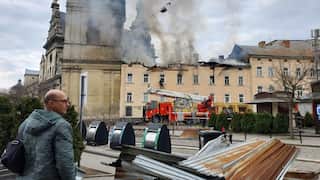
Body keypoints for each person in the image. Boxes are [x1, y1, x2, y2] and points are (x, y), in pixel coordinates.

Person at [17, 89, 75, 180]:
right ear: (51, 103)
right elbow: (65, 162)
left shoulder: (26, 123)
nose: (67, 104)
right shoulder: (61, 126)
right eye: (64, 101)